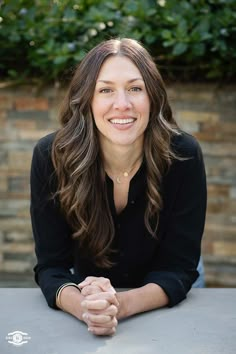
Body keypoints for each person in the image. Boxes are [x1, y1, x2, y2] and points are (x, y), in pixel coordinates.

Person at [30, 38, 207, 336]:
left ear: (153, 97)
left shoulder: (184, 155)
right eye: (105, 90)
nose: (122, 104)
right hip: (91, 294)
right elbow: (51, 267)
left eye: (135, 88)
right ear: (87, 99)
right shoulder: (51, 157)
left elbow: (178, 269)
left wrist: (118, 306)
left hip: (166, 293)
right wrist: (86, 308)